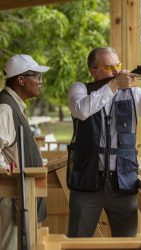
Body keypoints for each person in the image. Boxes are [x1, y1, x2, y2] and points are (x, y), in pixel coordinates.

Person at [67, 47, 141, 238]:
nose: (116, 71)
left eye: (118, 66)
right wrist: (114, 85)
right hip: (86, 181)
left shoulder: (134, 94)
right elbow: (82, 110)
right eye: (109, 67)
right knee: (77, 242)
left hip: (123, 182)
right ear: (93, 70)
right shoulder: (79, 89)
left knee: (127, 243)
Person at [0, 54, 50, 250]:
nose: (40, 81)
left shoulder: (13, 105)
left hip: (21, 193)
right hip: (12, 194)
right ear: (21, 80)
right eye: (36, 76)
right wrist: (8, 174)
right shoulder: (5, 107)